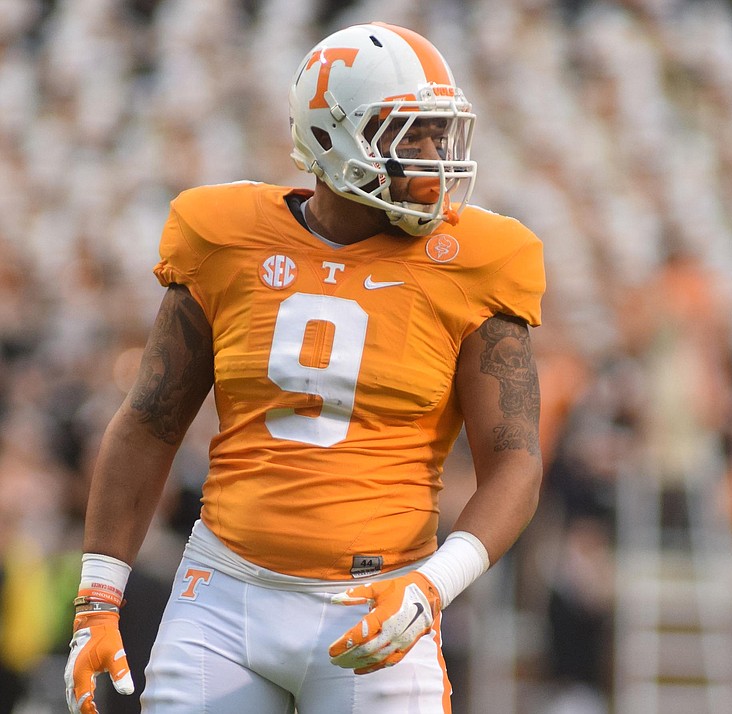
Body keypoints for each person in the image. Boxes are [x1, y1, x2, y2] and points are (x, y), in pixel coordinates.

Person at [64, 21, 546, 714]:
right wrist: (97, 598)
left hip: (380, 603)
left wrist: (434, 584)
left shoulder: (480, 260)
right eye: (410, 135)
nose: (437, 155)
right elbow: (148, 422)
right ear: (332, 137)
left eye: (441, 133)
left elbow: (517, 464)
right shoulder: (225, 236)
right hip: (224, 595)